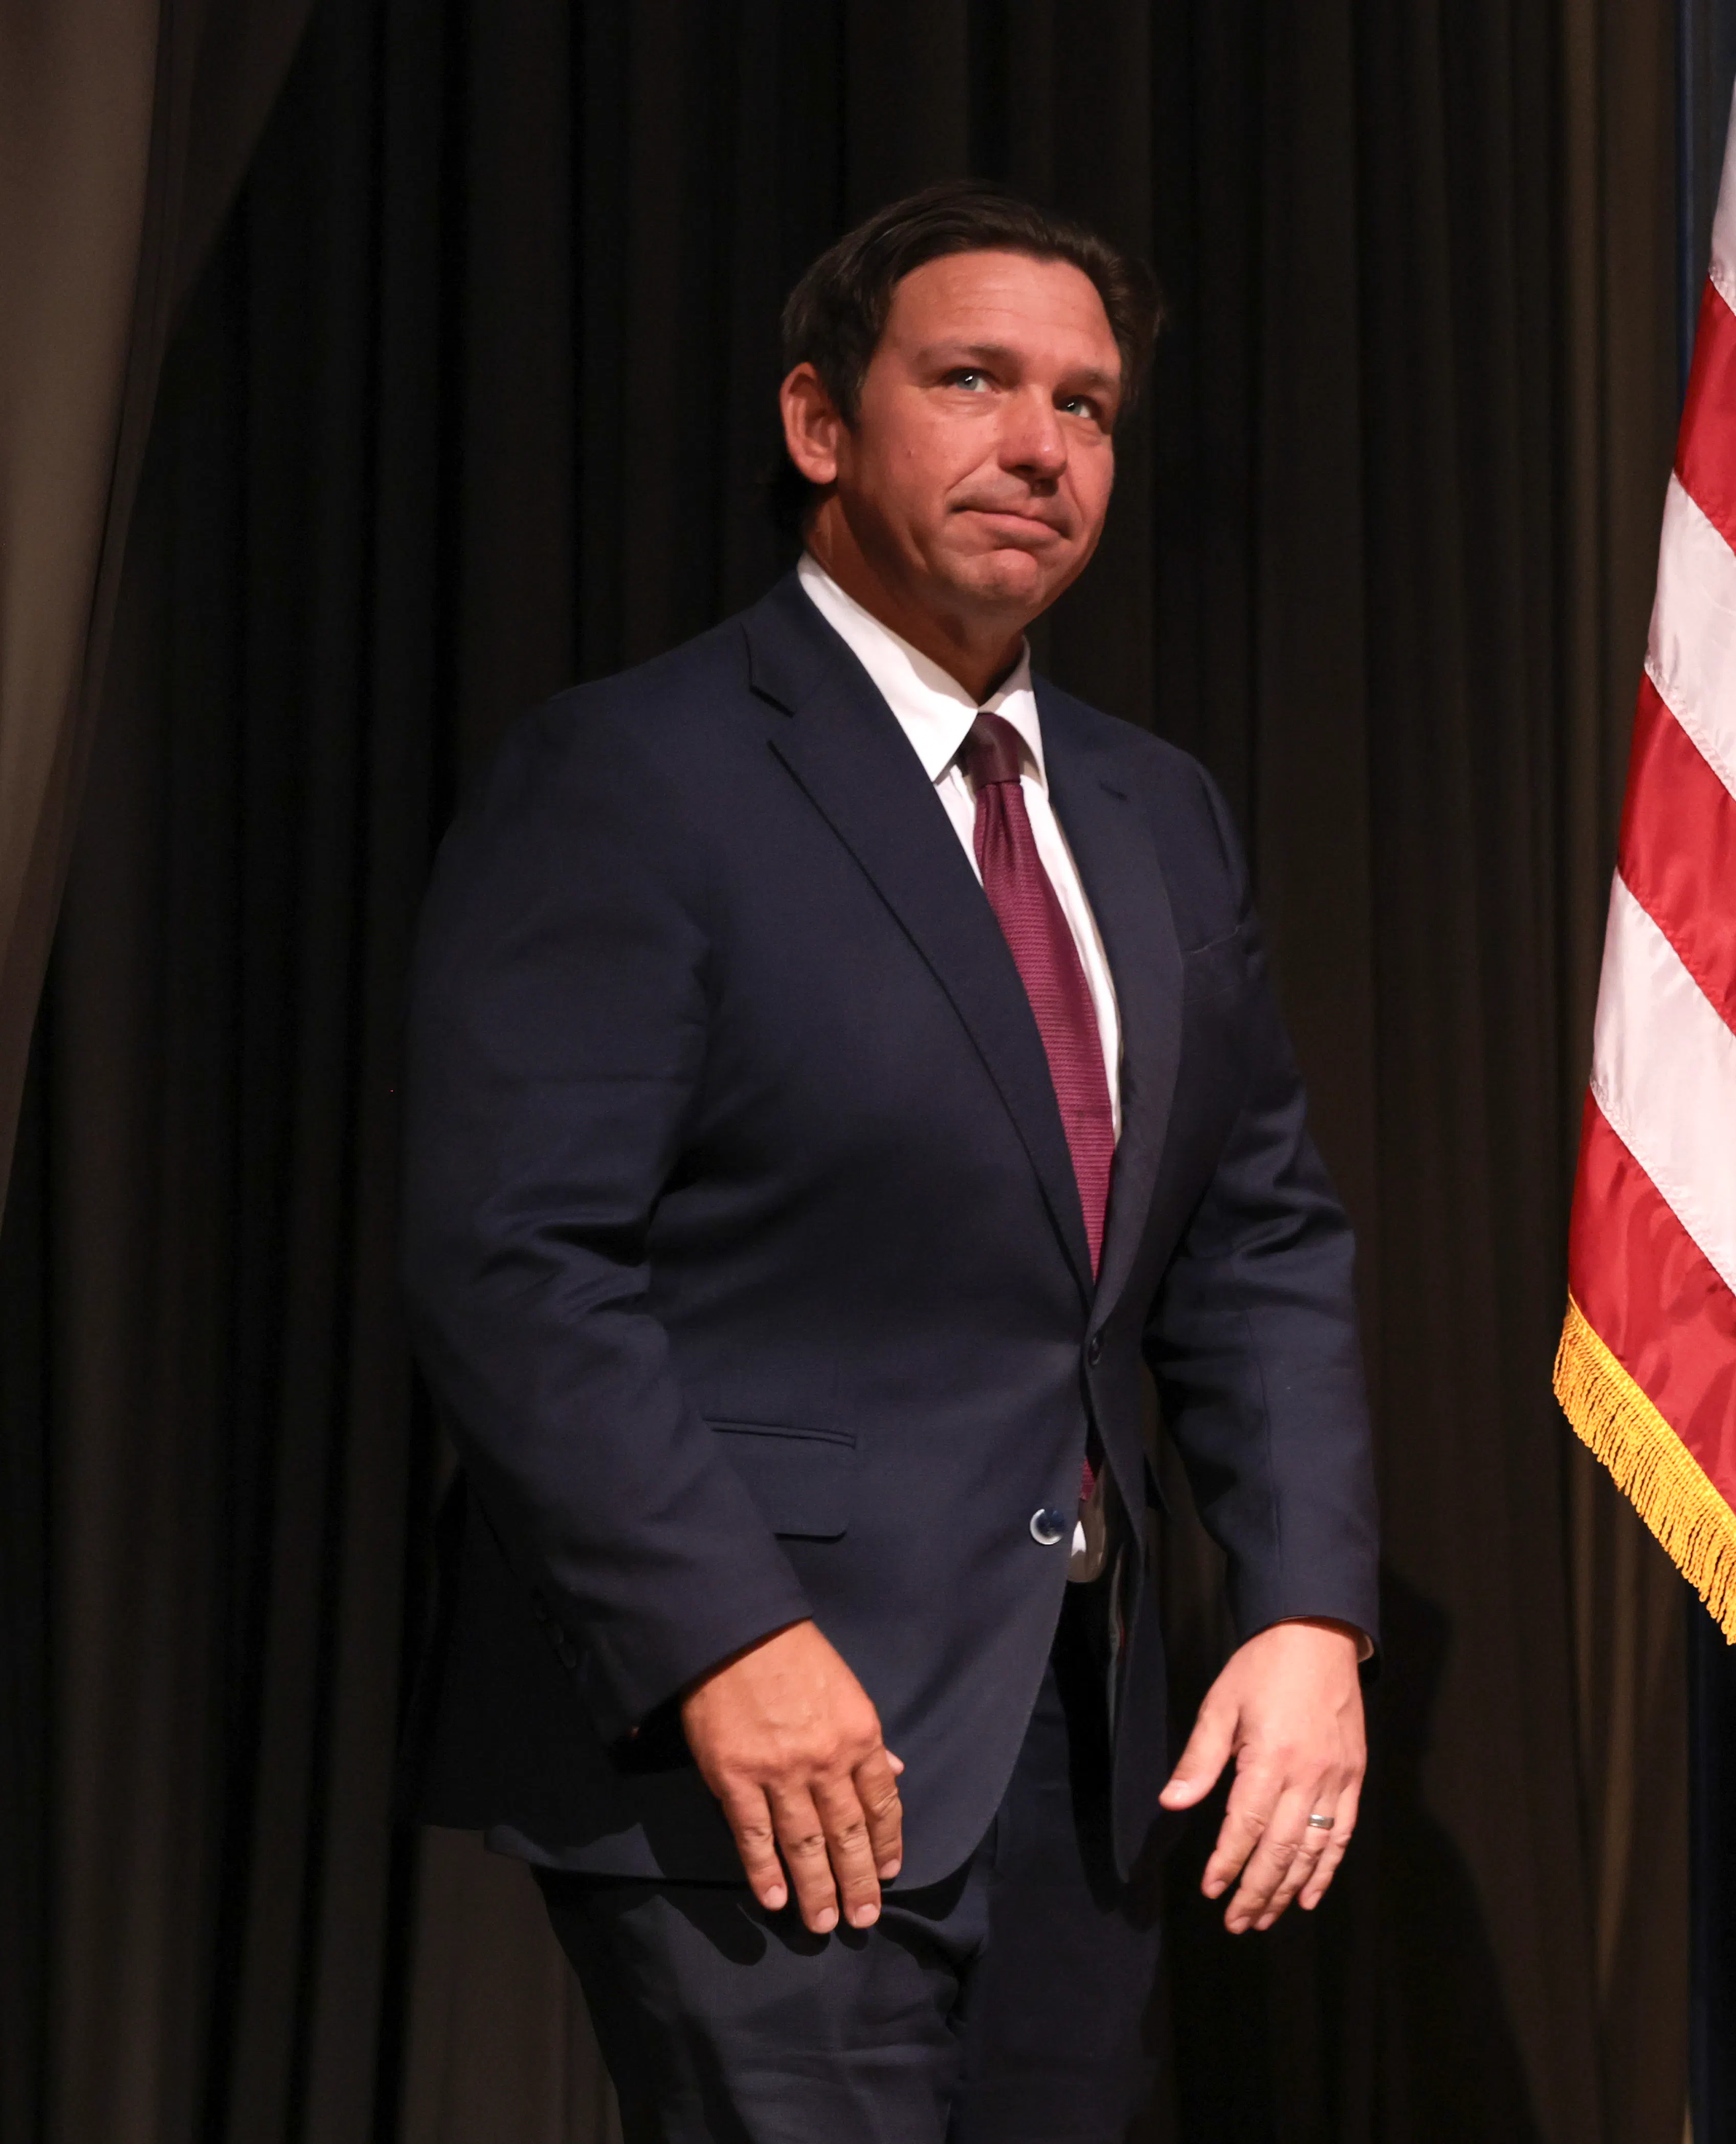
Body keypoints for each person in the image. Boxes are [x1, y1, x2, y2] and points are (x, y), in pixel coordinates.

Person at [399, 179, 1379, 2142]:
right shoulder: (635, 774)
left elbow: (1257, 1240)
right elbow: (514, 1260)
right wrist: (723, 1640)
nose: (1041, 444)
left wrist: (1306, 1612)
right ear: (819, 425)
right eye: (974, 381)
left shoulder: (1155, 813)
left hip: (1087, 1751)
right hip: (765, 1744)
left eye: (1087, 407)